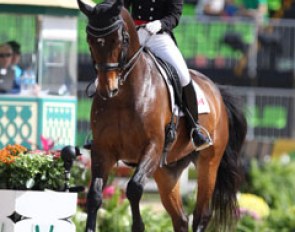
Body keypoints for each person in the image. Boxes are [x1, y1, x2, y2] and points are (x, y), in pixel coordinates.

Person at [124, 0, 212, 150]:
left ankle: (194, 128)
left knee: (183, 75)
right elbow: (123, 6)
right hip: (135, 34)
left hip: (159, 37)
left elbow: (174, 16)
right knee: (111, 67)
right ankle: (99, 128)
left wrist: (160, 24)